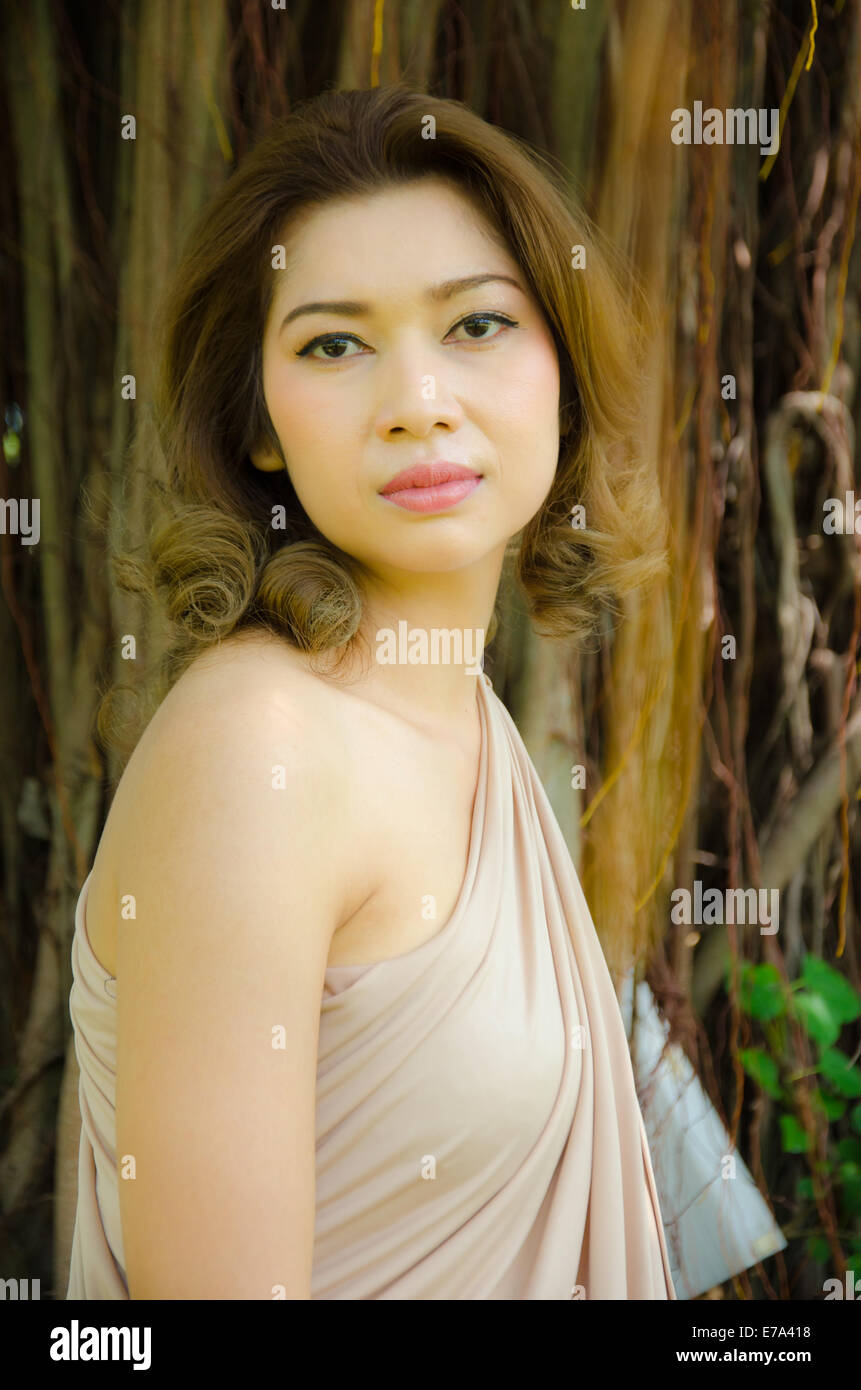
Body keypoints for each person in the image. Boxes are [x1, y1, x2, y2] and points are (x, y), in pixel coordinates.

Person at [66, 82, 675, 1300]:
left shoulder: (459, 715)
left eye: (478, 325)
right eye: (333, 343)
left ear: (561, 359)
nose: (418, 403)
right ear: (260, 428)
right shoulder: (261, 751)